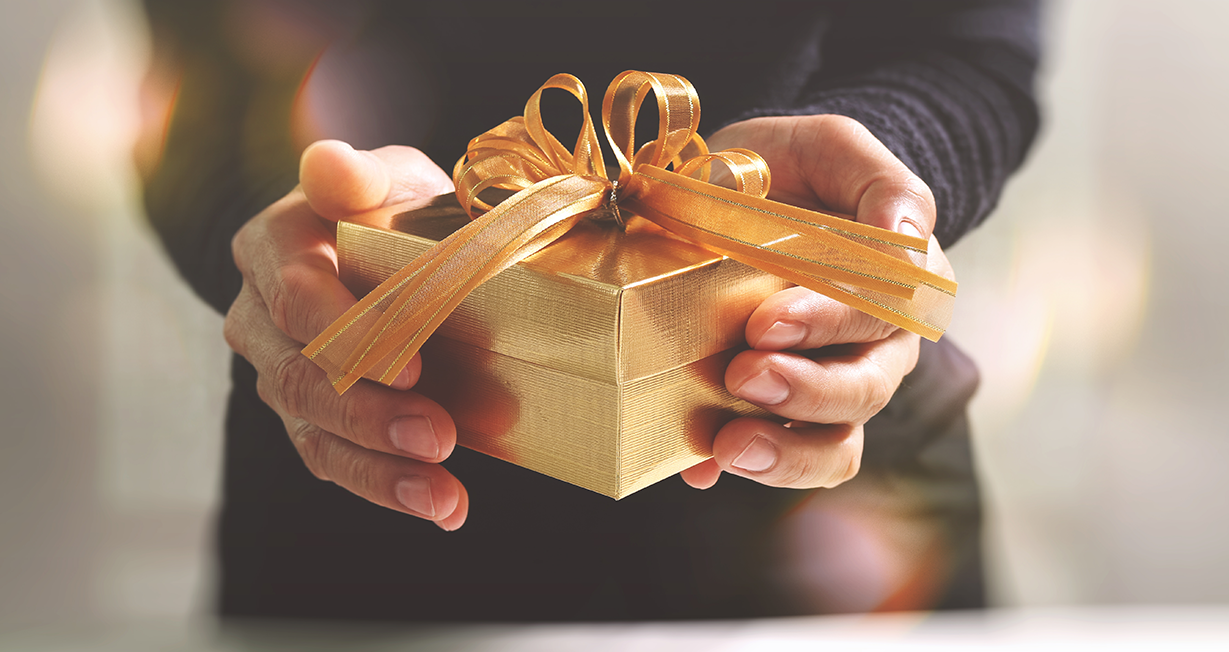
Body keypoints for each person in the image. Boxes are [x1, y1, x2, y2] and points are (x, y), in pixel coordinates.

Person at [140, 0, 1039, 620]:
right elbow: (190, 83)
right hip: (365, 502)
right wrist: (286, 221)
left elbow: (976, 44)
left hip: (841, 526)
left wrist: (884, 162)